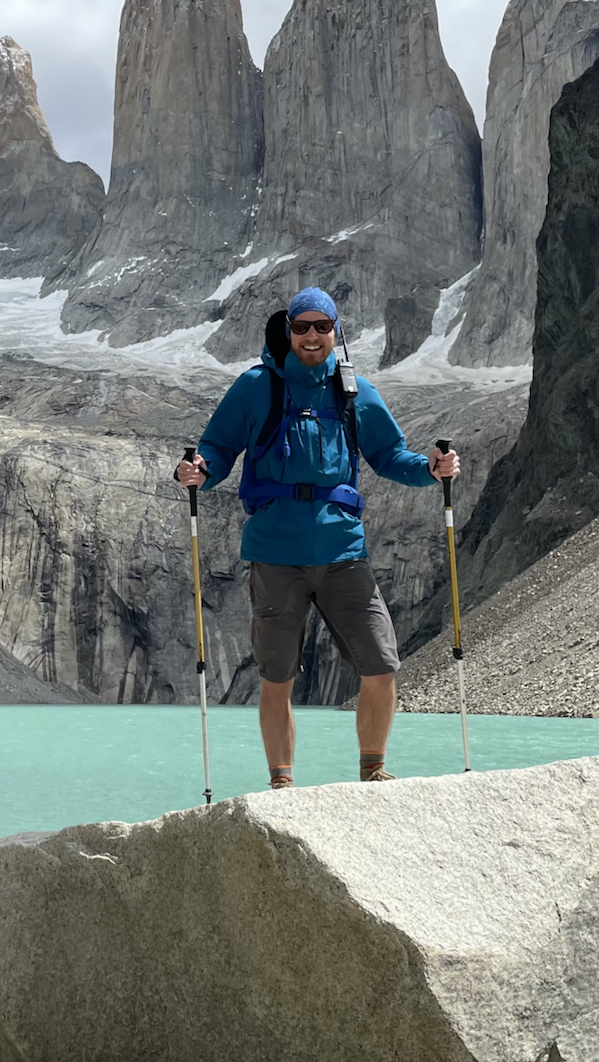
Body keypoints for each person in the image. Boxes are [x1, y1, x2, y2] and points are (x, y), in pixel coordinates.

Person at [175, 286, 458, 789]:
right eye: (302, 327)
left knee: (381, 664)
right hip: (275, 553)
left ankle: (373, 770)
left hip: (342, 551)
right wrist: (200, 470)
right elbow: (217, 448)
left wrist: (432, 470)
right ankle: (282, 784)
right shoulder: (255, 387)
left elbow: (392, 456)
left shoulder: (355, 392)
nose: (311, 336)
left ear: (335, 332)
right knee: (277, 676)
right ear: (289, 331)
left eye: (321, 327)